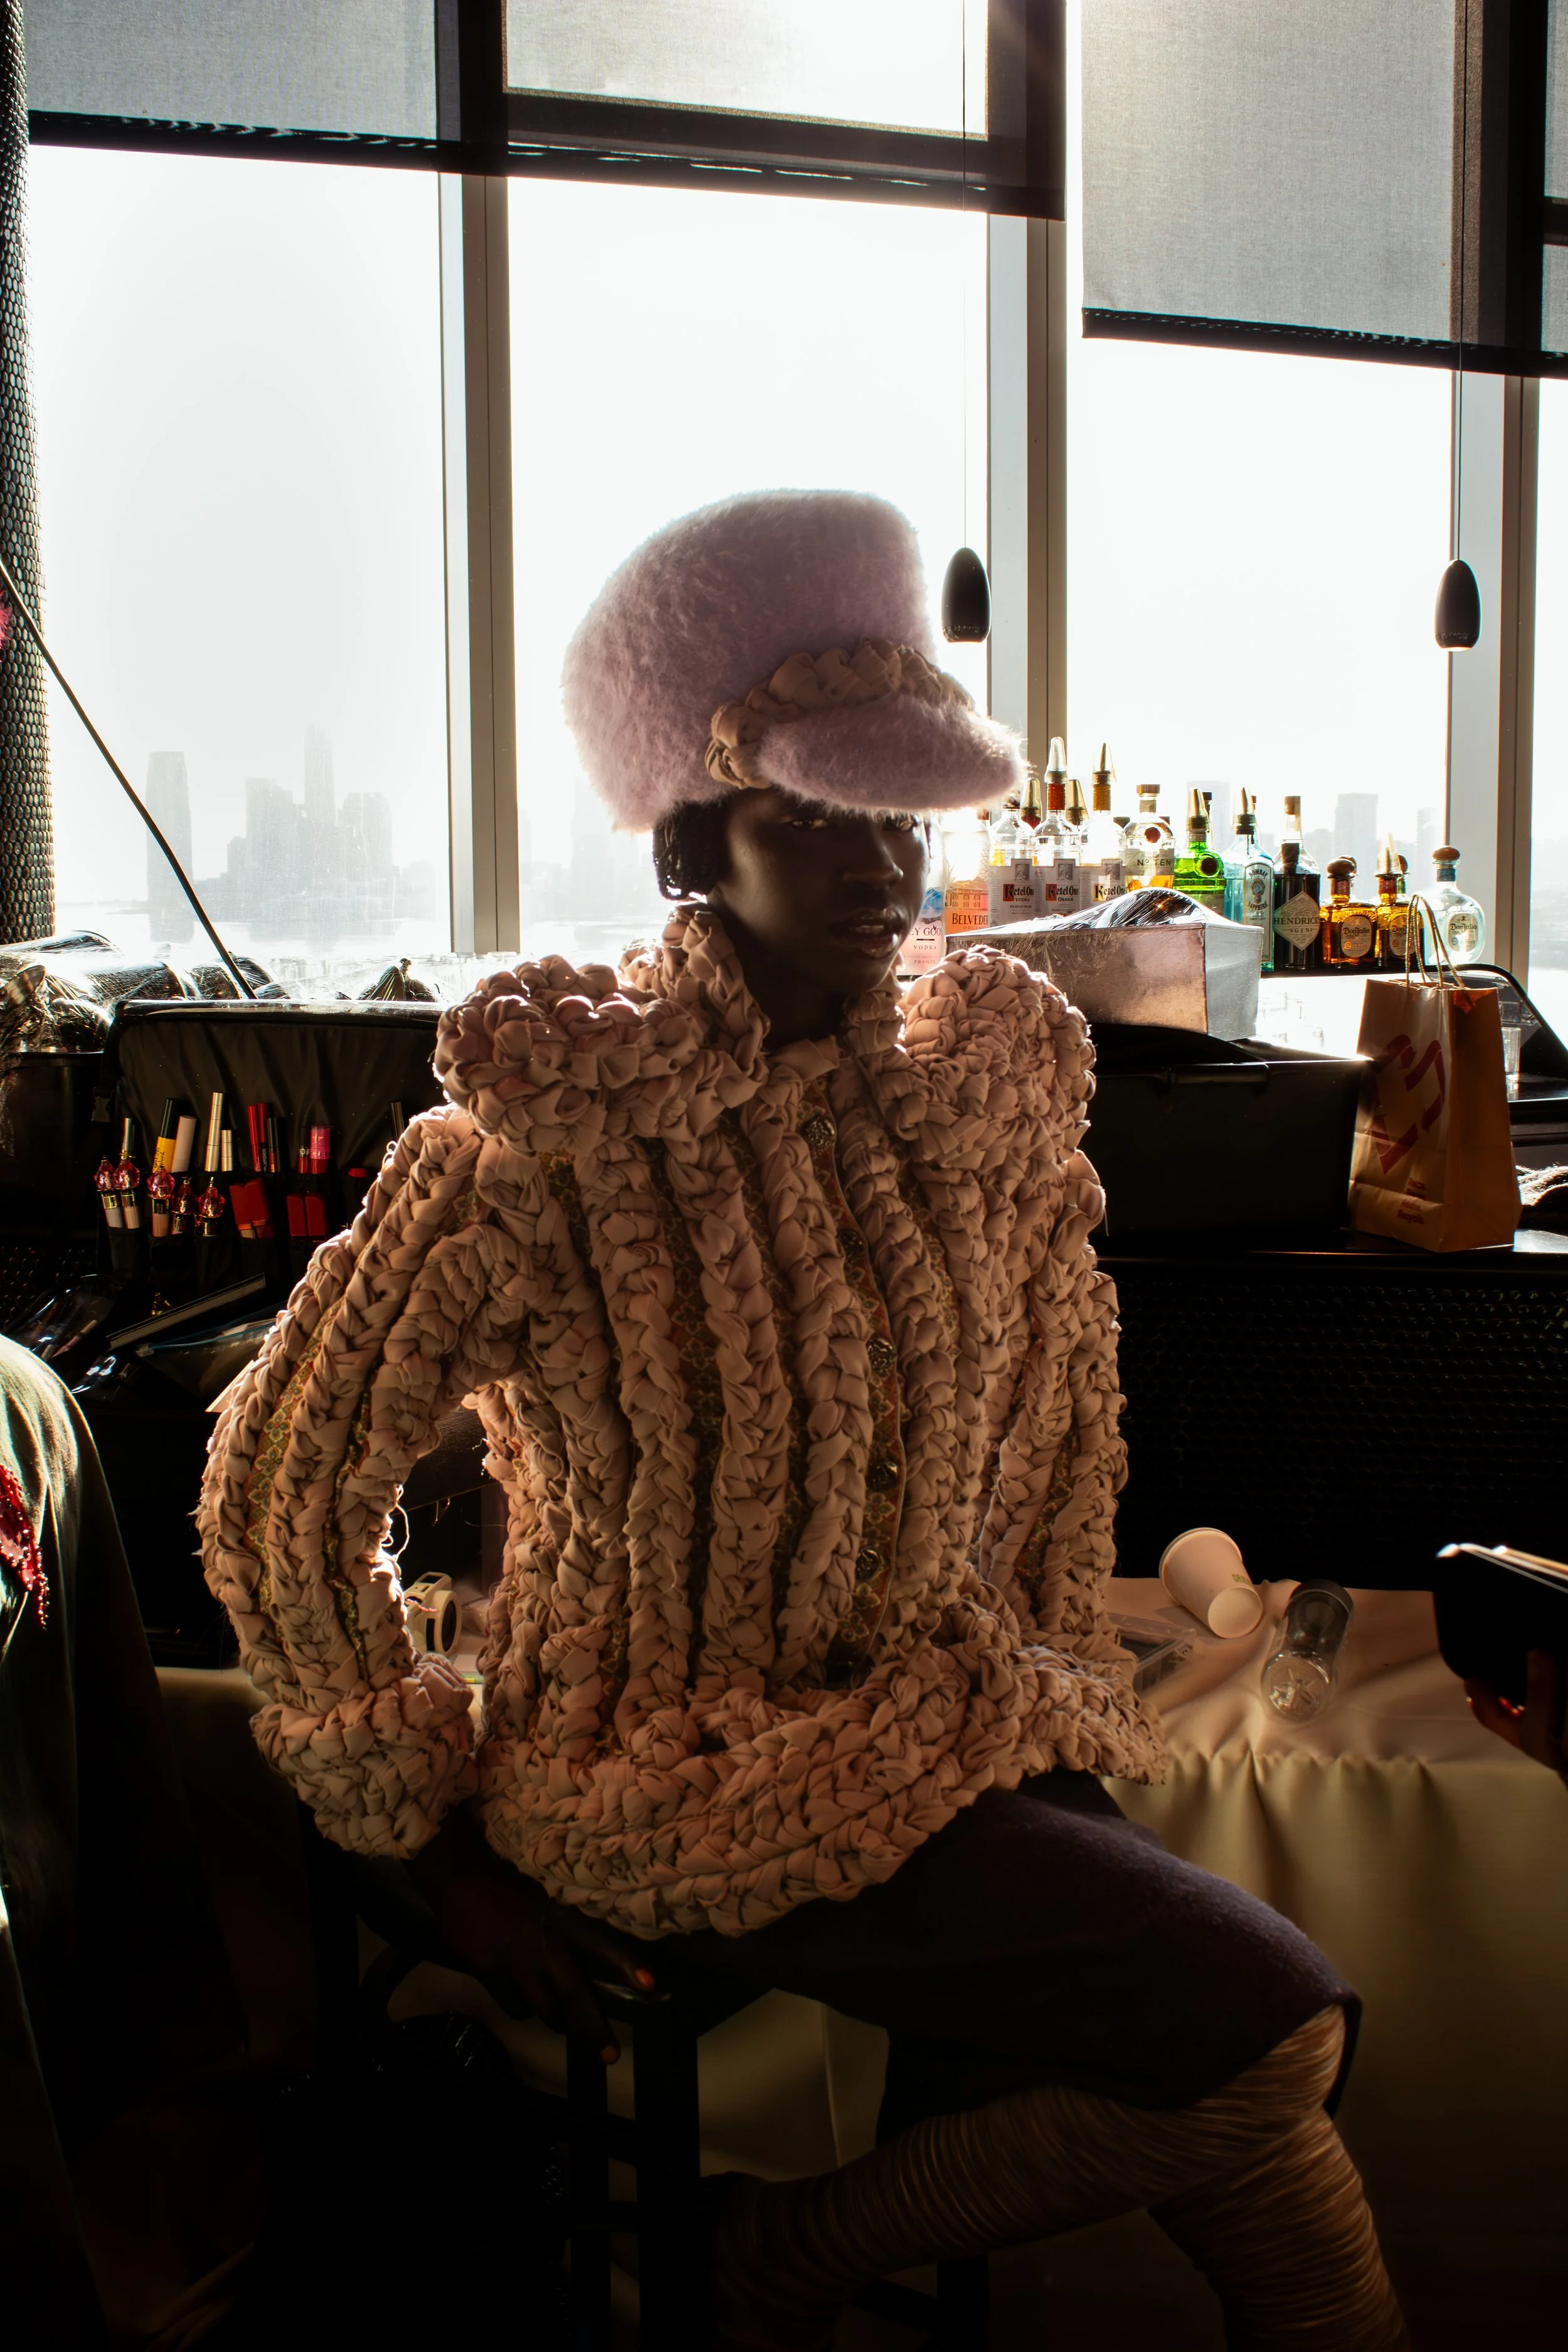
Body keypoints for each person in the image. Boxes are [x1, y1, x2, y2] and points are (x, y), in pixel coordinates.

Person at [200, 490, 1406, 2350]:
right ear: (697, 837)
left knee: (1245, 2107)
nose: (879, 868)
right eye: (816, 814)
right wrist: (412, 1827)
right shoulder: (549, 1135)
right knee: (1273, 2034)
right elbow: (285, 1477)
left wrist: (1021, 1637)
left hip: (946, 1719)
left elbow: (1037, 1434)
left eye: (901, 817)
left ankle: (772, 2260)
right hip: (671, 1766)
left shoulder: (961, 1102)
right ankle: (770, 2263)